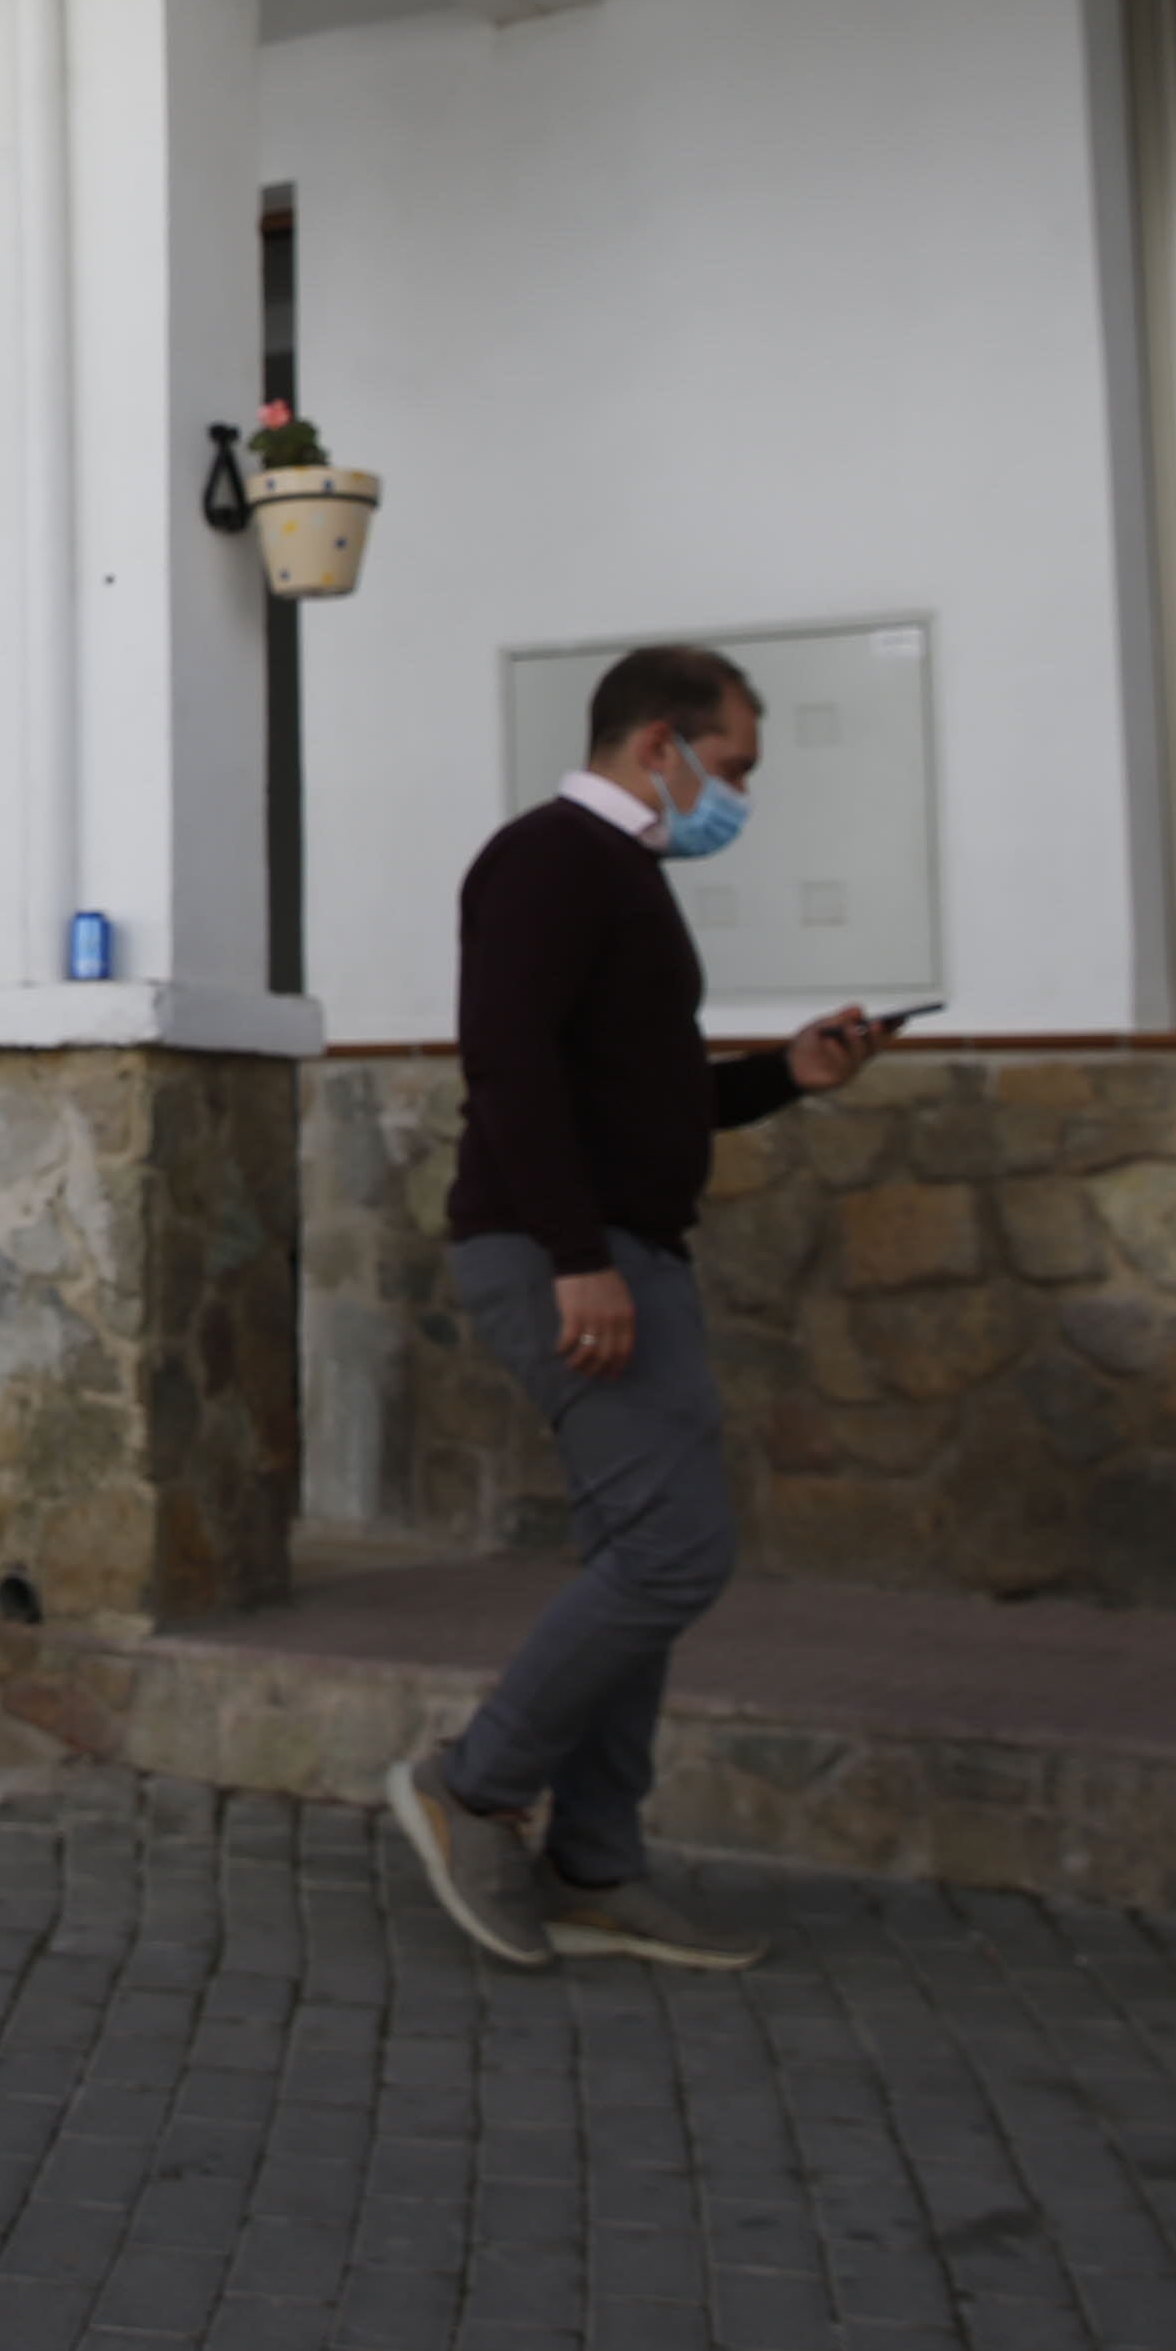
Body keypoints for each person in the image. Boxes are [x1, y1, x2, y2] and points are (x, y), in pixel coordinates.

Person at [383, 641, 887, 1973]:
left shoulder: (625, 876)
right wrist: (576, 1259)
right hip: (569, 1255)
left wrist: (786, 1074)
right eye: (732, 766)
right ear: (658, 742)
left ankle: (599, 1866)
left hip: (621, 1246)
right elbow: (509, 1064)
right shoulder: (547, 856)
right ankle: (475, 1787)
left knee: (641, 1561)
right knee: (674, 1554)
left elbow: (645, 1092)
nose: (739, 796)